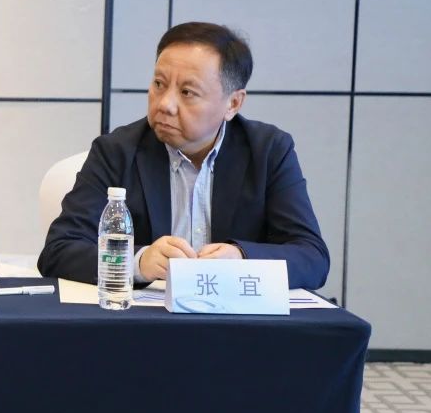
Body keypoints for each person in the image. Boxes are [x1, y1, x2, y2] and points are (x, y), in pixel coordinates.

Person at [38, 22, 328, 290]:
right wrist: (138, 262)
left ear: (233, 103)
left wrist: (241, 258)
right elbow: (59, 251)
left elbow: (312, 257)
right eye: (159, 84)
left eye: (187, 92)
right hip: (146, 320)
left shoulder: (268, 151)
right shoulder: (117, 151)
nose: (165, 104)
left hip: (237, 320)